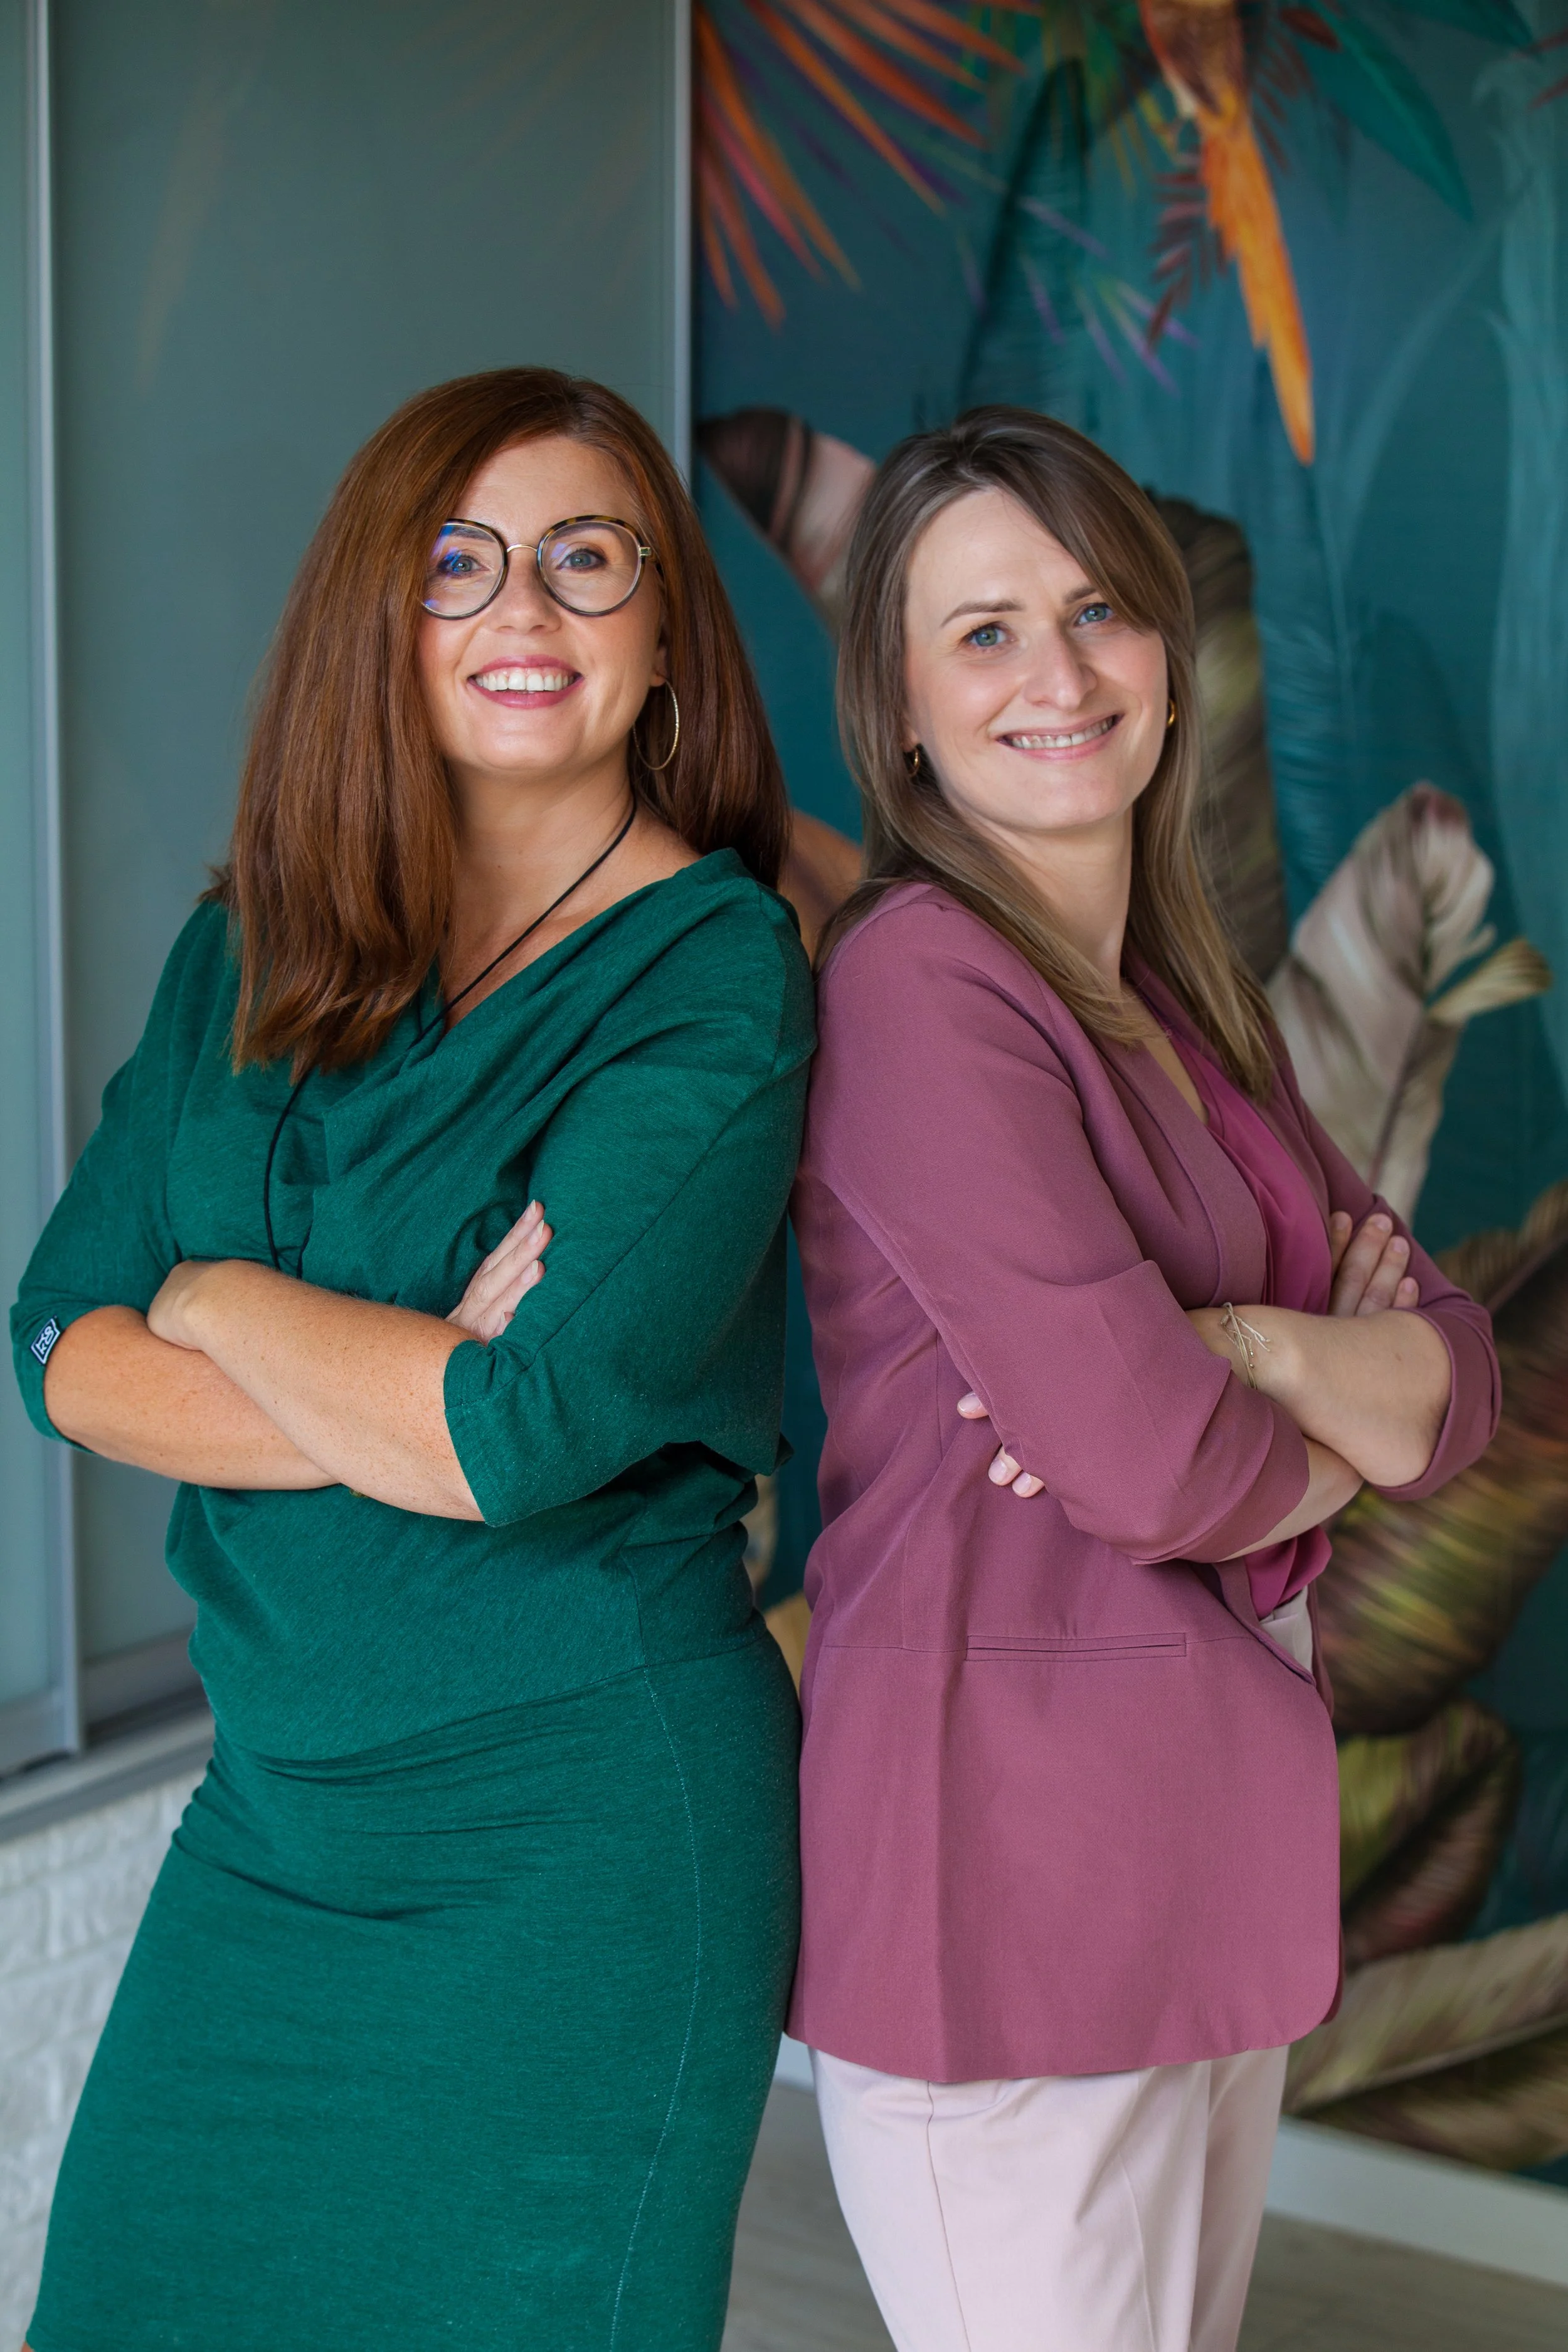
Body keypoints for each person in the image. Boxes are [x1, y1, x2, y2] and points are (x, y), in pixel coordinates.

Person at [13, 368, 813, 2352]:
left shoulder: (714, 968)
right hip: (274, 1819)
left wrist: (209, 1297)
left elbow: (511, 1436)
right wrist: (378, 1370)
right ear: (378, 620)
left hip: (578, 1842)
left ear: (661, 651)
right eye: (455, 562)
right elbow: (51, 1345)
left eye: (582, 559)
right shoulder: (248, 954)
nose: (518, 610)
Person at [787, 407, 1500, 2352]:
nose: (1057, 671)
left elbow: (1455, 1382)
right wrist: (1302, 1425)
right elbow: (1159, 1466)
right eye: (983, 630)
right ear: (904, 710)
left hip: (1189, 1857)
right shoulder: (921, 984)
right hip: (1005, 1886)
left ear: (1168, 665)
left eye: (1095, 610)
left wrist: (1257, 1346)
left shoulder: (1188, 1007)